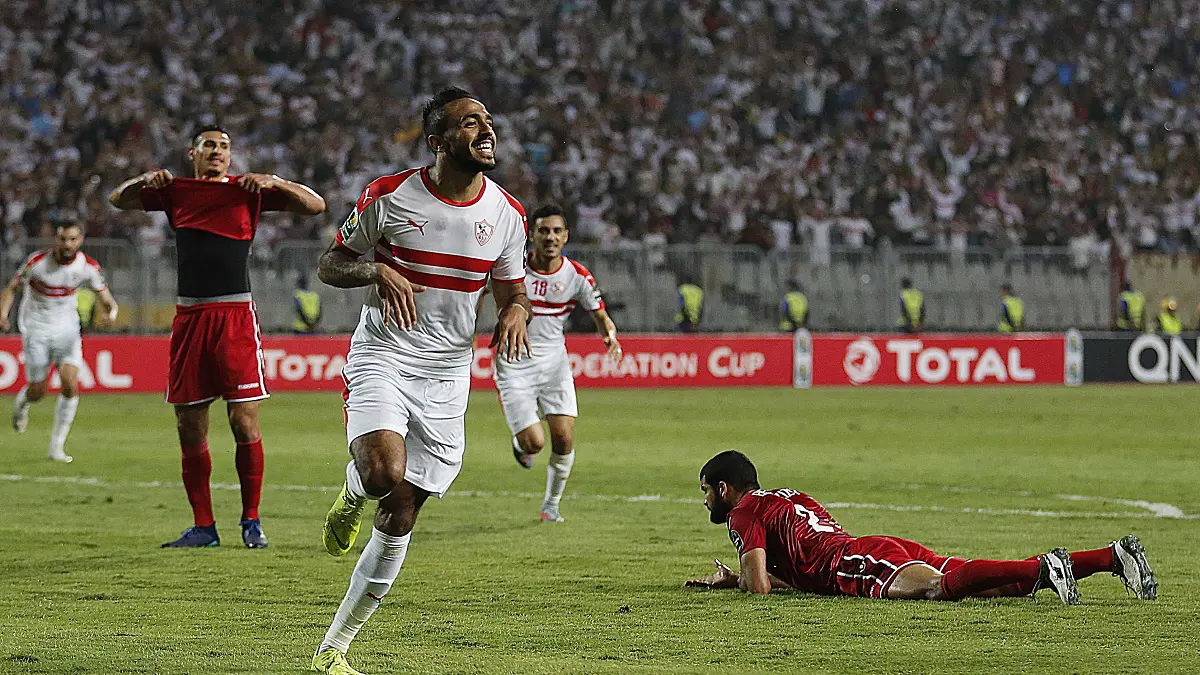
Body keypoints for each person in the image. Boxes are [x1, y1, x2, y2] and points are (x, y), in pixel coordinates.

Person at [310, 87, 531, 675]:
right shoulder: (389, 196)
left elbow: (513, 291)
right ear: (436, 142)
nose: (485, 130)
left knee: (402, 510)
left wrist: (514, 310)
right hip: (384, 351)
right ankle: (358, 488)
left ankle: (335, 646)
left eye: (487, 119)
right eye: (468, 123)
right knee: (384, 470)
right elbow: (330, 265)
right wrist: (373, 269)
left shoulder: (507, 215)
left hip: (447, 373)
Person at [108, 125, 326, 549]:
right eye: (210, 145)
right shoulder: (178, 191)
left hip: (234, 316)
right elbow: (119, 200)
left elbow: (315, 206)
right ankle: (204, 527)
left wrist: (275, 181)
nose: (218, 152)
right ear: (193, 152)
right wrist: (144, 180)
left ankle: (251, 521)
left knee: (243, 421)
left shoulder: (248, 191)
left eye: (225, 146)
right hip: (190, 317)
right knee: (190, 425)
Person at [688, 451, 1158, 605]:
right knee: (986, 587)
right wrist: (744, 576)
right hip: (873, 548)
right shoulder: (787, 496)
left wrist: (738, 582)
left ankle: (1044, 565)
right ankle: (1111, 556)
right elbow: (794, 561)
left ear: (726, 488)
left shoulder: (742, 512)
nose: (706, 500)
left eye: (707, 490)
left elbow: (761, 588)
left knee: (939, 589)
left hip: (852, 563)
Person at [497, 203, 622, 523]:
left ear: (565, 237)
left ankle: (551, 506)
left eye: (556, 231)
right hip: (514, 360)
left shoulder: (576, 275)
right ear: (532, 235)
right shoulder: (512, 267)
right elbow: (476, 294)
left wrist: (609, 335)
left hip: (554, 361)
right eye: (543, 231)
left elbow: (600, 314)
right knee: (535, 442)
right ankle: (520, 444)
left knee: (564, 437)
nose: (550, 237)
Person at [1, 223, 118, 462]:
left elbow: (107, 299)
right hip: (36, 331)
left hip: (67, 331)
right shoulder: (37, 264)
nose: (67, 245)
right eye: (63, 239)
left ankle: (57, 447)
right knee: (38, 391)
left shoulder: (88, 267)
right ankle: (22, 404)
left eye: (73, 239)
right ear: (56, 238)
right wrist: (3, 314)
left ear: (81, 240)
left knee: (70, 385)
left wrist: (111, 313)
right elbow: (12, 288)